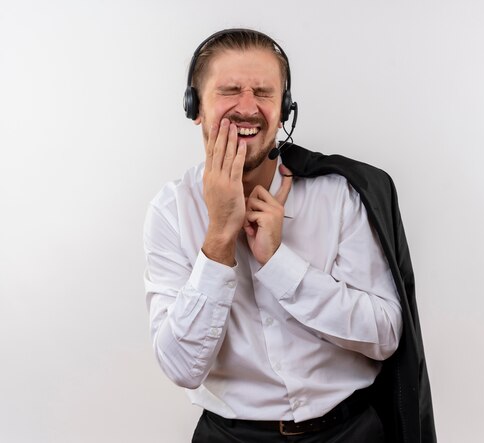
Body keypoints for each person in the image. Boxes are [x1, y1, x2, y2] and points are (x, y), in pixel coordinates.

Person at [144, 28, 436, 442]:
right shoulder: (171, 211)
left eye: (263, 93)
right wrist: (219, 240)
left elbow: (386, 334)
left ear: (285, 109)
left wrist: (279, 263)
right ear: (195, 107)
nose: (248, 108)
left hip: (349, 432)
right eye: (229, 91)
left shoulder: (339, 195)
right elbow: (181, 367)